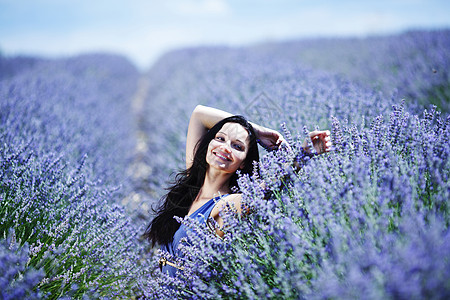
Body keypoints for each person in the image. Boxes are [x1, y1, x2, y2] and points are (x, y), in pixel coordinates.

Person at [144, 105, 331, 277]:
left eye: (237, 146)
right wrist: (254, 131)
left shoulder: (228, 203)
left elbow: (263, 191)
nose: (225, 148)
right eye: (220, 138)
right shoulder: (192, 184)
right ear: (209, 144)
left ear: (243, 163)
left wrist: (300, 157)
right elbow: (199, 115)